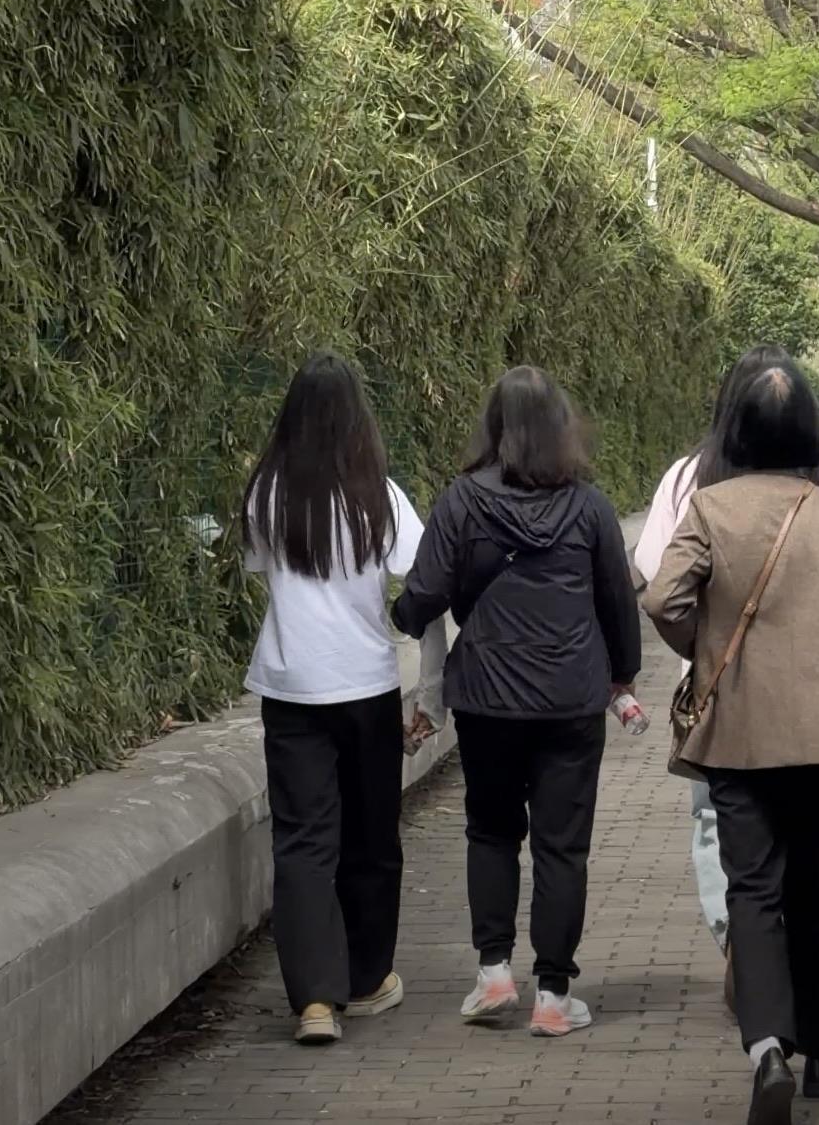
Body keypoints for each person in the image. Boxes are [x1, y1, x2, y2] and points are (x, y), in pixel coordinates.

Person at [645, 361, 819, 1125]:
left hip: (736, 739)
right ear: (810, 433)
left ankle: (766, 1048)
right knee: (812, 890)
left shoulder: (710, 508)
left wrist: (703, 641)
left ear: (736, 431)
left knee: (752, 891)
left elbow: (663, 596)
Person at [393, 364, 641, 1038]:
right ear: (561, 426)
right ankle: (554, 995)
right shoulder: (589, 506)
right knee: (564, 847)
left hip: (489, 701)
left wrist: (403, 612)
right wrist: (622, 673)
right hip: (570, 699)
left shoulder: (461, 502)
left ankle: (495, 971)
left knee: (492, 830)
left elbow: (424, 594)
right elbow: (619, 601)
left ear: (495, 426)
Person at [242, 352, 448, 1046]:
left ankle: (314, 1001)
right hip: (365, 684)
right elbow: (423, 581)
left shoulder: (266, 494)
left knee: (302, 841)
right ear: (357, 417)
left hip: (290, 685)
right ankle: (366, 978)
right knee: (369, 835)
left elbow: (261, 567)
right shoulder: (378, 495)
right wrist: (431, 687)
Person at [633, 348, 819, 996]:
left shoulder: (684, 479)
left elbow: (652, 575)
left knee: (715, 823)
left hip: (719, 692)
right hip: (812, 690)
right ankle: (810, 963)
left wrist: (702, 644)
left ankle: (743, 941)